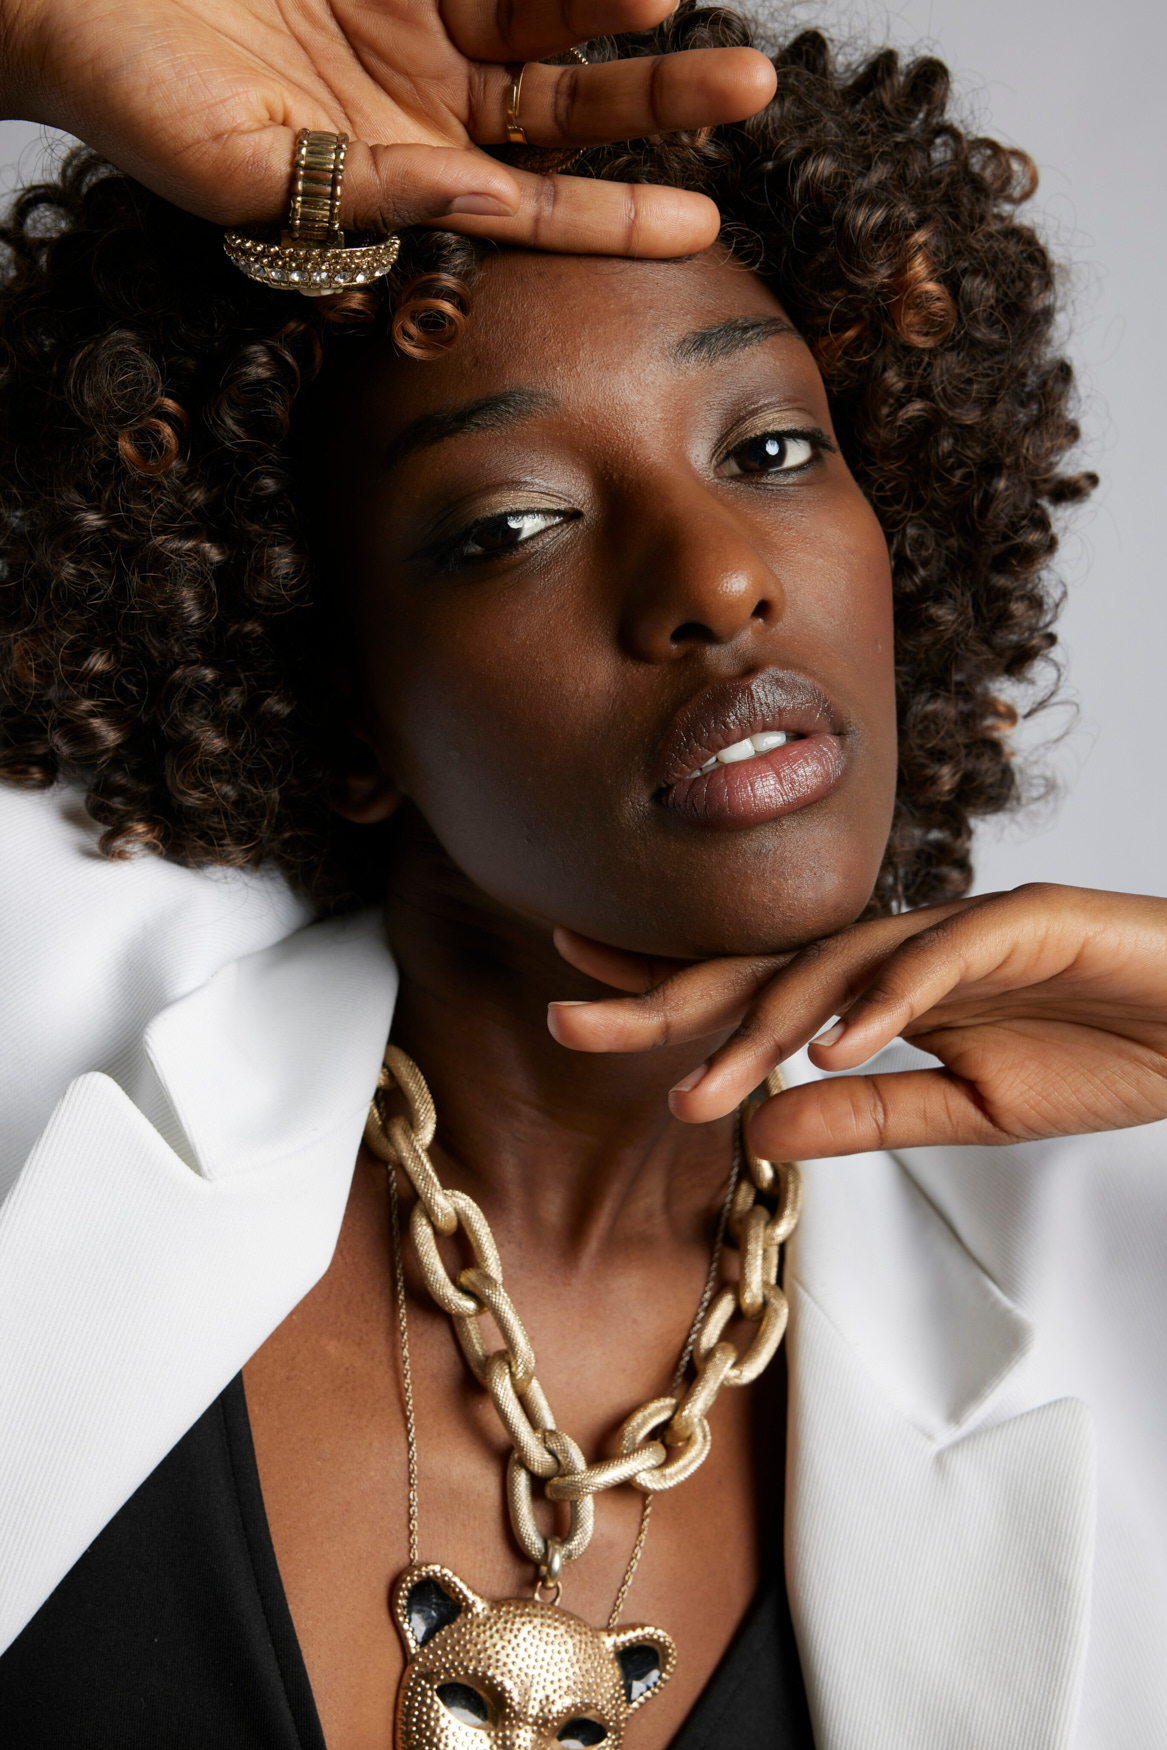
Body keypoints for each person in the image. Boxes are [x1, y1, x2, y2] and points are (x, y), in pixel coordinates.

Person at [1, 3, 1165, 1747]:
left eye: (772, 450)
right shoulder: (35, 1058)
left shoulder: (1112, 1284)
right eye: (513, 525)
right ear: (337, 694)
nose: (717, 578)